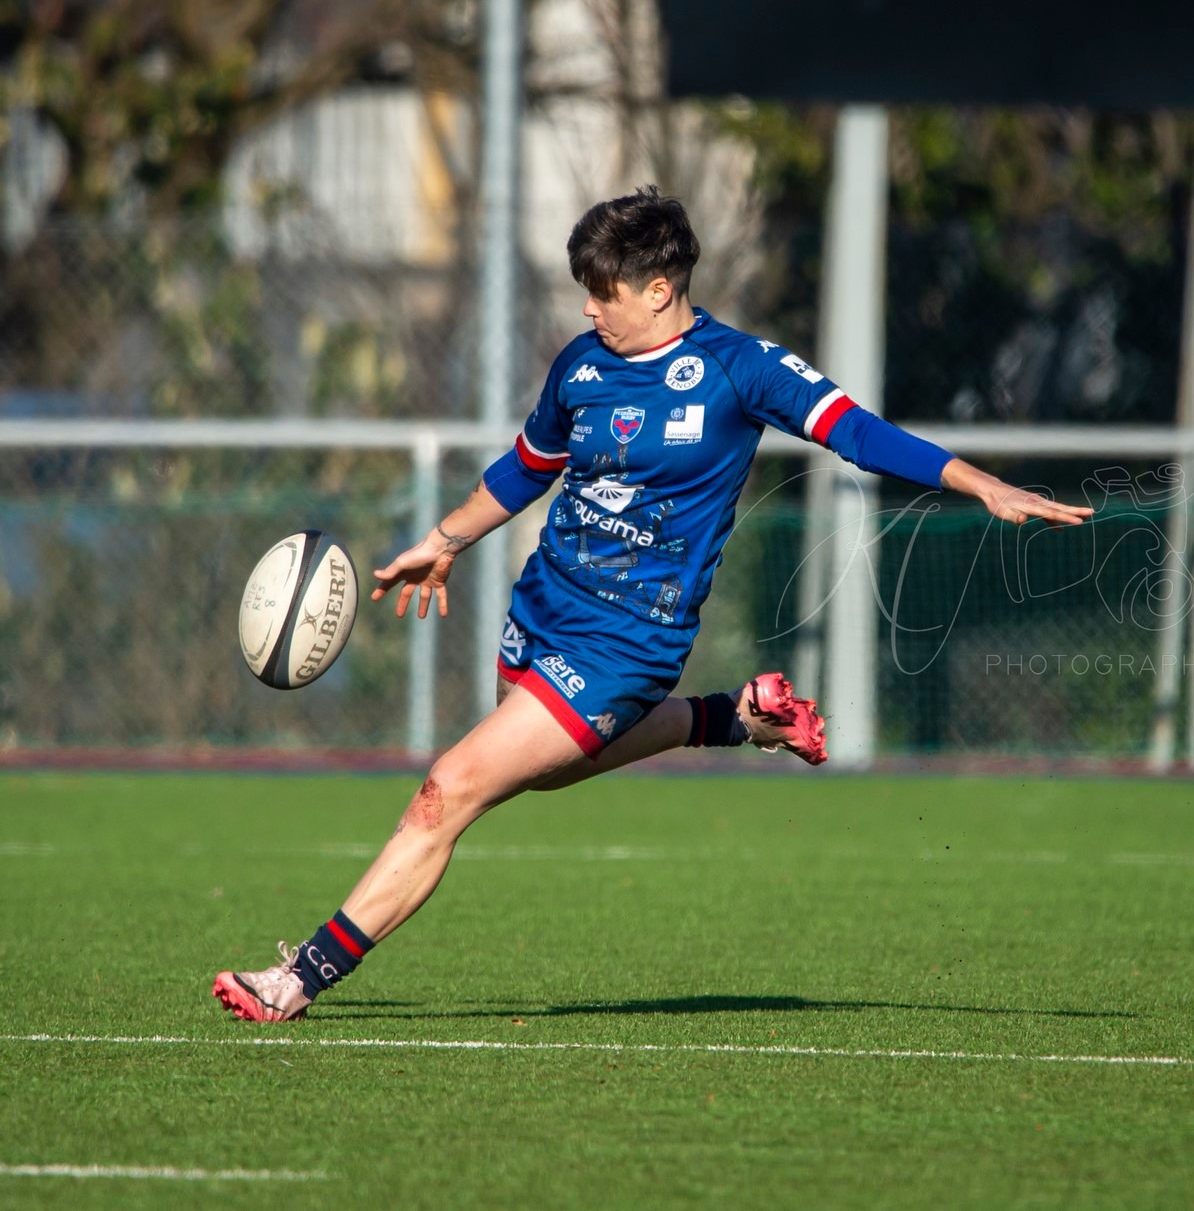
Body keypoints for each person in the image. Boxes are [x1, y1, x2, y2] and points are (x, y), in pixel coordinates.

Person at [214, 186, 1093, 1022]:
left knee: (451, 788)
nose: (589, 312)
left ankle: (299, 977)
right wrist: (445, 540)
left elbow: (859, 432)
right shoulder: (582, 365)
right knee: (544, 771)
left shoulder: (738, 369)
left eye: (603, 295)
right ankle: (739, 719)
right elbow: (530, 465)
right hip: (545, 605)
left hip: (629, 640)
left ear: (660, 288)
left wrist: (977, 482)